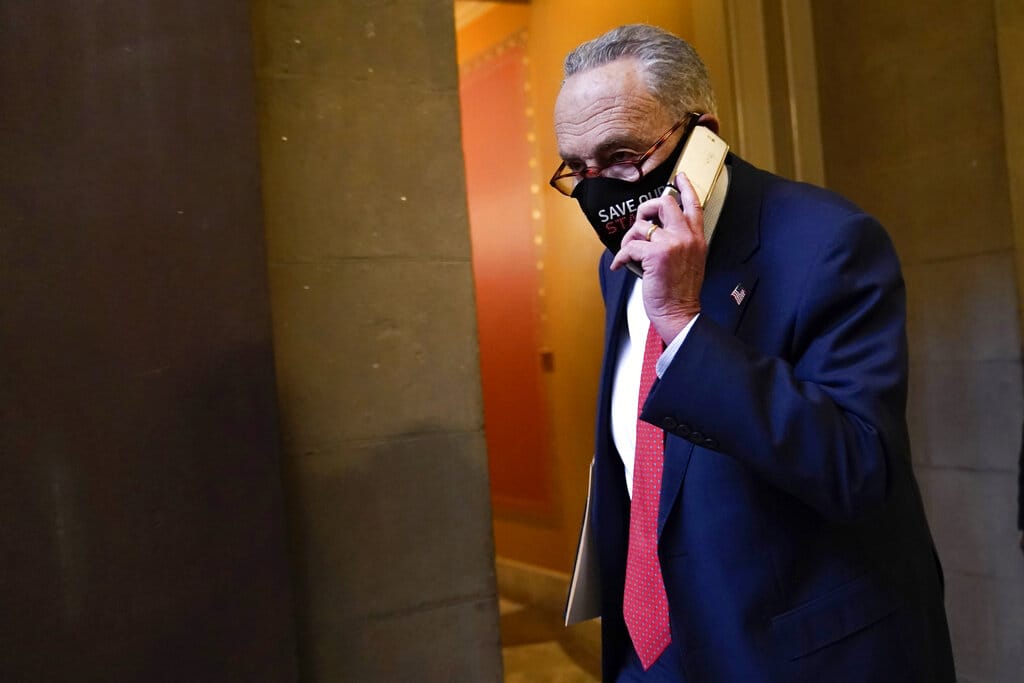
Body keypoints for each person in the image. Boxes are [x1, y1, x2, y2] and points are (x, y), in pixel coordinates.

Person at [552, 24, 955, 681]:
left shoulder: (830, 244)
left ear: (702, 134)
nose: (600, 192)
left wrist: (684, 327)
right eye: (578, 168)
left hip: (796, 654)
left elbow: (858, 468)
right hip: (654, 652)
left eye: (621, 156)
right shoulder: (617, 261)